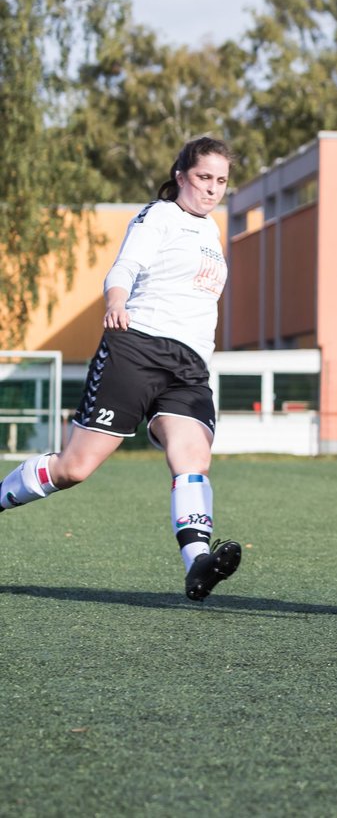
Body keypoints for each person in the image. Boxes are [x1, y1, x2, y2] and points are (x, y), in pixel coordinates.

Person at [0, 137, 242, 602]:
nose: (212, 189)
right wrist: (115, 301)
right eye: (203, 178)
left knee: (193, 458)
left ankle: (198, 566)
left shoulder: (211, 232)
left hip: (190, 366)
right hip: (137, 349)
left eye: (221, 181)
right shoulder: (160, 215)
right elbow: (124, 267)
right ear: (180, 176)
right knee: (74, 468)